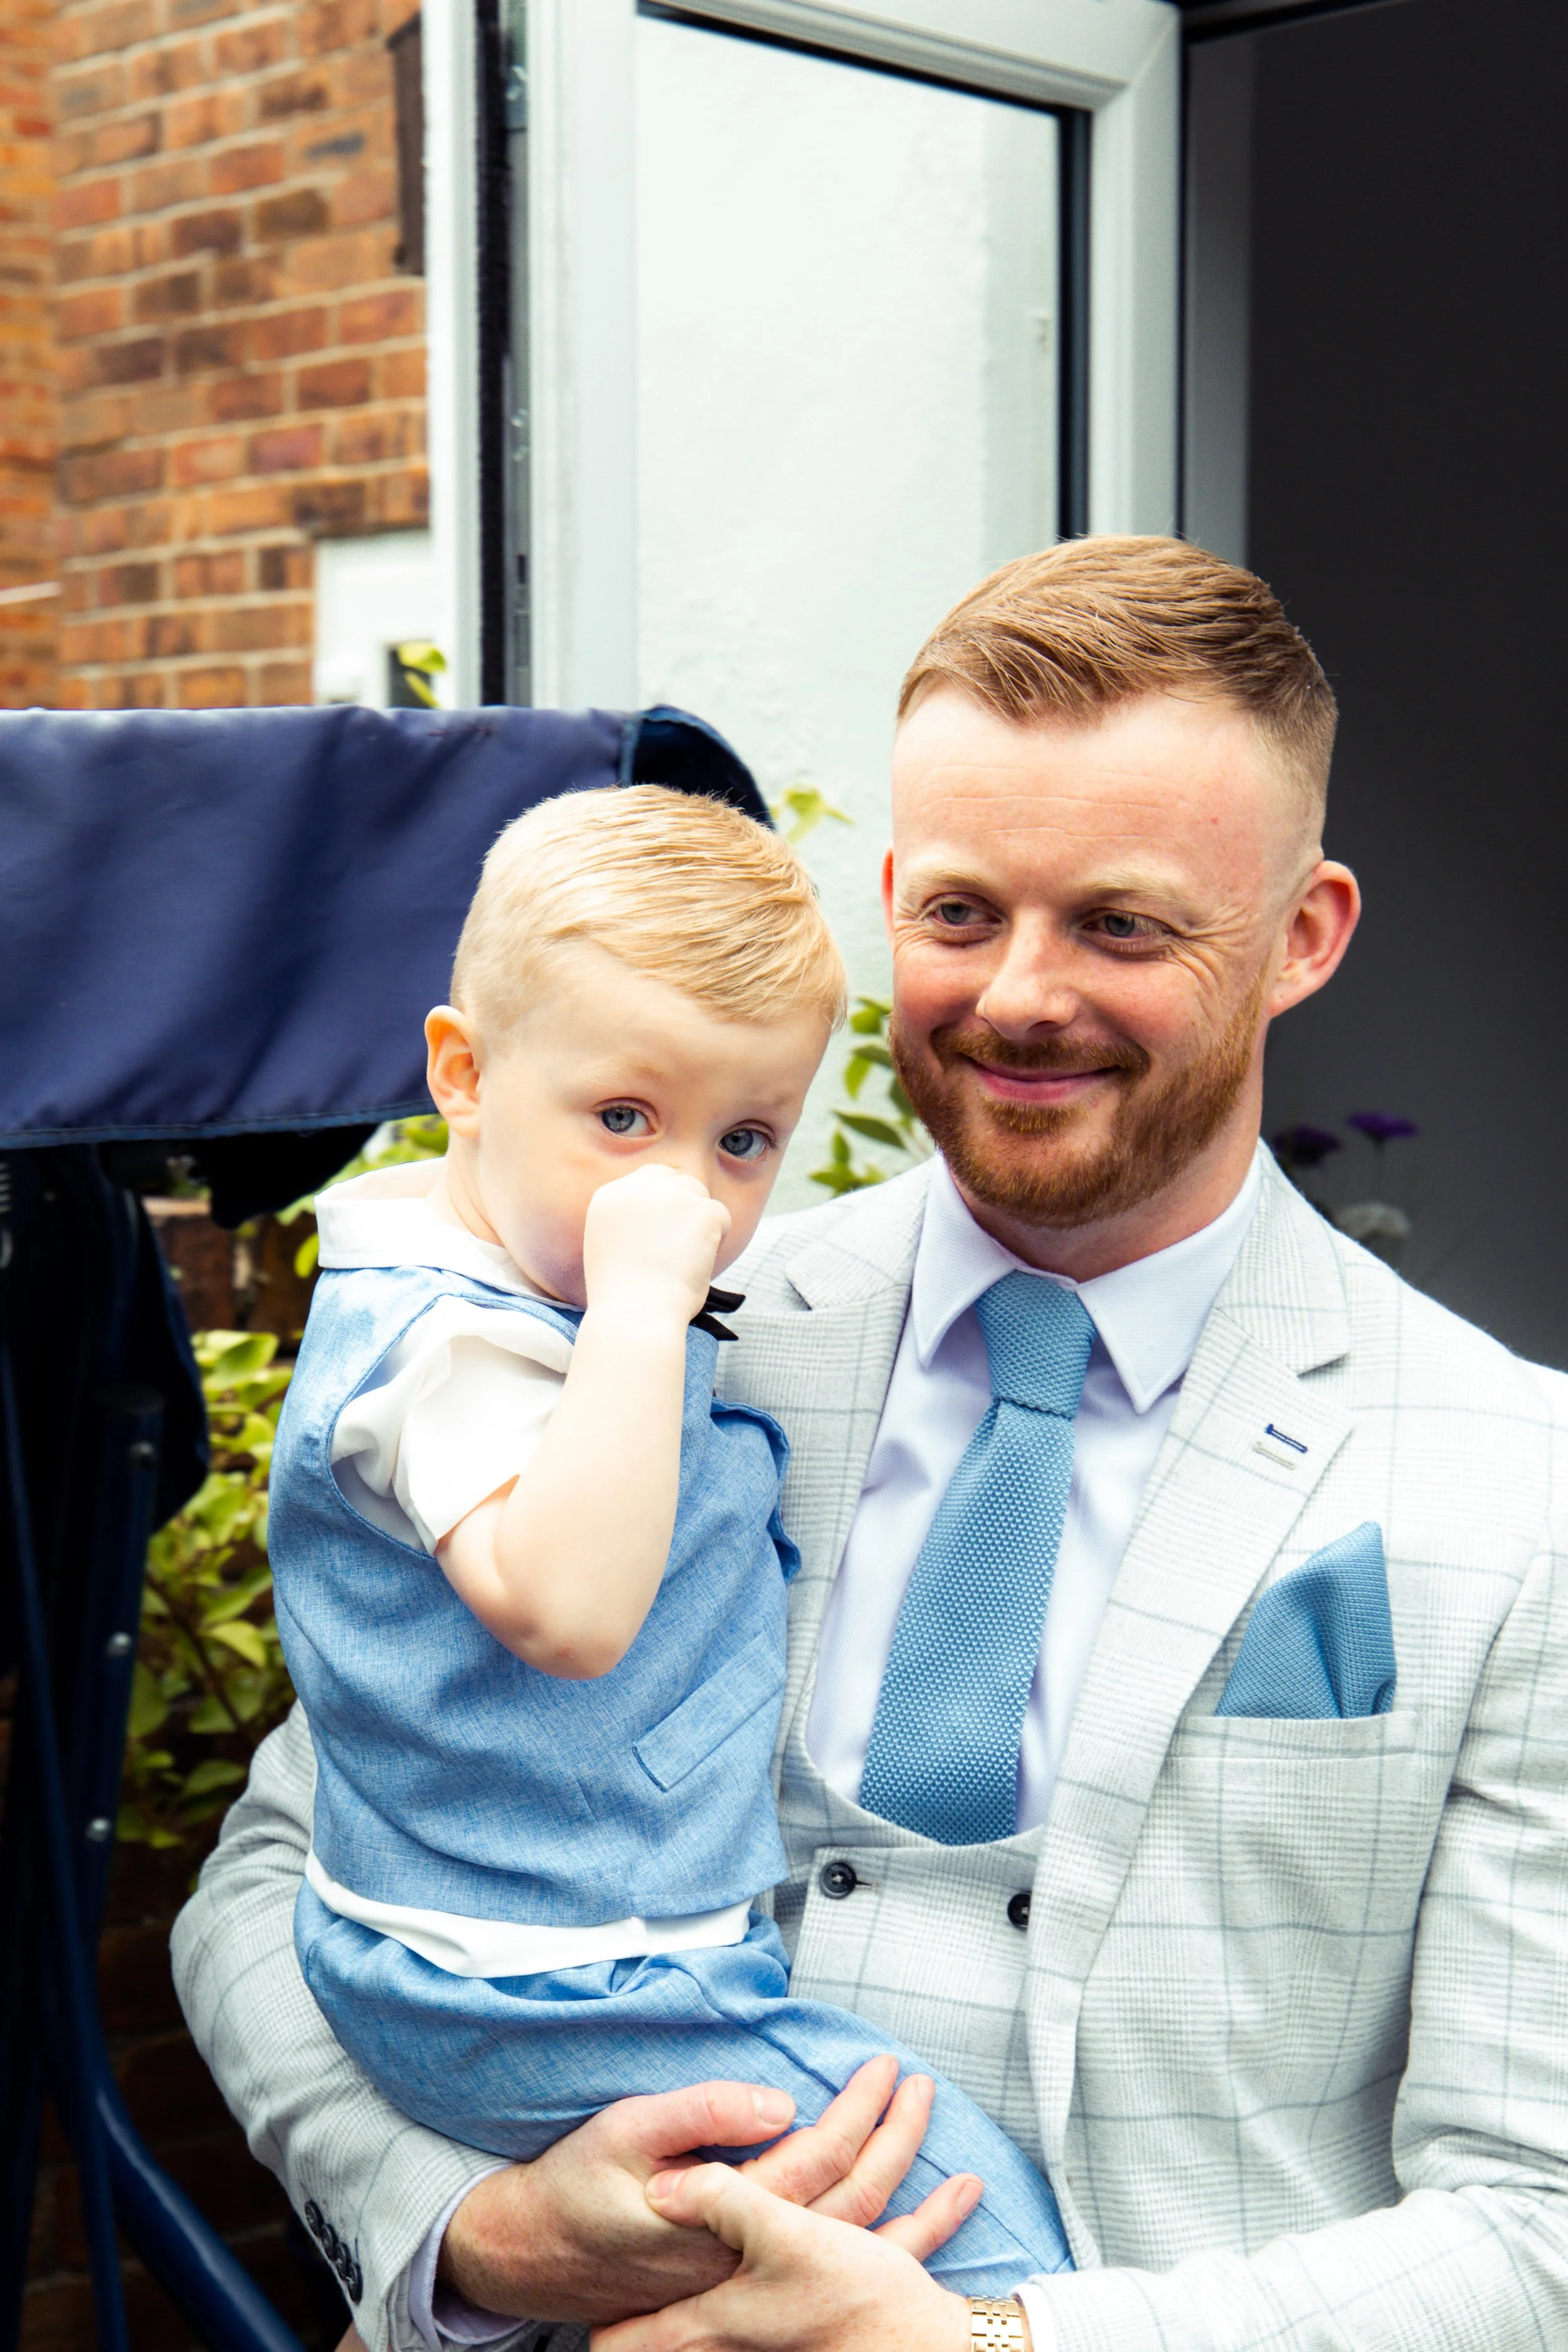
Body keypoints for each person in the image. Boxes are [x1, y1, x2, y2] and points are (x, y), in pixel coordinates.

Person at [174, 538, 1568, 2352]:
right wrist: (475, 2231)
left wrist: (987, 2349)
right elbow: (276, 1878)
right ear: (893, 892)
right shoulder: (624, 1324)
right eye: (963, 913)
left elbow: (1534, 2223)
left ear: (1302, 935)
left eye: (1122, 923)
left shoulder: (1512, 1482)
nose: (1017, 996)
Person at [266, 783, 1072, 2299]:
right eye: (623, 1120)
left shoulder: (549, 1293)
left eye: (744, 1138)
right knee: (989, 2233)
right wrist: (641, 1313)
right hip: (547, 1974)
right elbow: (567, 1613)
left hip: (562, 1947)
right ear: (464, 1073)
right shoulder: (454, 1351)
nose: (685, 1199)